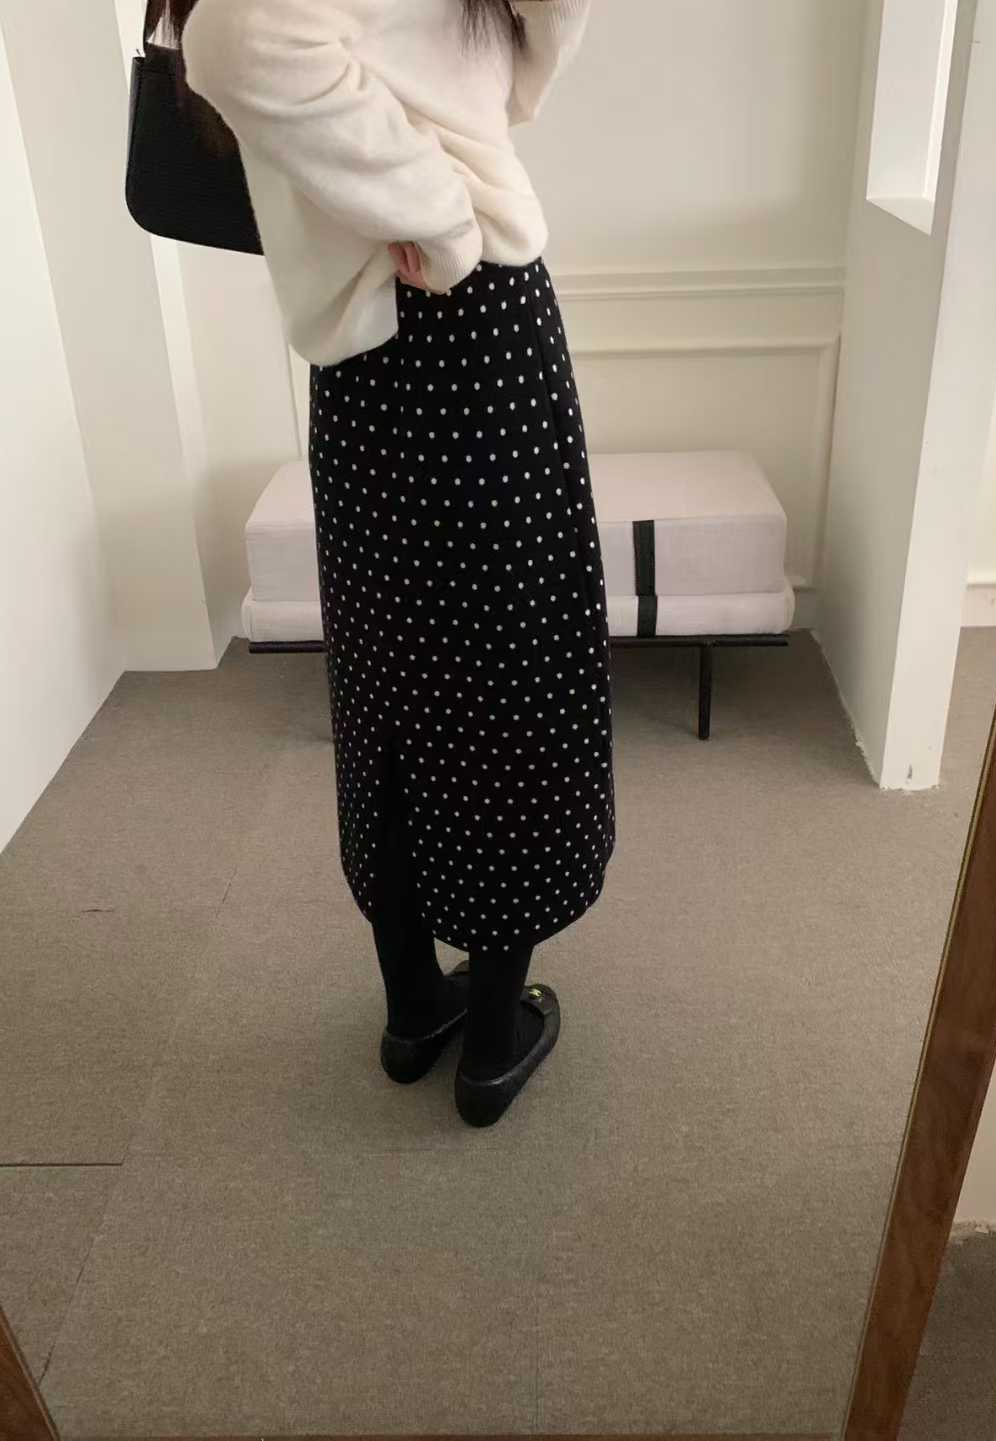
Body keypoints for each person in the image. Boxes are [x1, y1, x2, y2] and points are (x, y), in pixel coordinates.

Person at [173, 0, 615, 1126]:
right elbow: (234, 37)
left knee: (398, 676)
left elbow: (514, 77)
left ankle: (417, 1006)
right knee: (508, 676)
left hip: (374, 353)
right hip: (469, 318)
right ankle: (490, 1036)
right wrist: (442, 214)